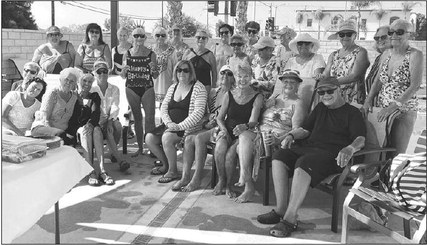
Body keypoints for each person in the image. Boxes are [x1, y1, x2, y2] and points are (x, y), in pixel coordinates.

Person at [256, 77, 366, 238]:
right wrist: (291, 135)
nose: (326, 95)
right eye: (322, 92)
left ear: (339, 90)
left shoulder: (352, 112)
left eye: (330, 91)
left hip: (334, 157)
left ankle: (290, 219)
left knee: (304, 162)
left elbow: (361, 139)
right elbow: (306, 129)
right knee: (280, 156)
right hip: (310, 149)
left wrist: (350, 148)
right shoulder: (321, 108)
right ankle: (280, 210)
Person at [235, 69, 307, 203]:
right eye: (285, 81)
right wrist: (264, 106)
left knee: (241, 147)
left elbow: (296, 129)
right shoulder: (275, 98)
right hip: (259, 132)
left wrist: (280, 138)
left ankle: (246, 182)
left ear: (298, 85)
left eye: (292, 82)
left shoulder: (298, 103)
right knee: (244, 136)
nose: (288, 84)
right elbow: (258, 117)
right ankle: (247, 182)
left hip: (275, 139)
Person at [362, 19, 423, 155]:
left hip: (403, 111)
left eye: (399, 32)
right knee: (381, 152)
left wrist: (393, 106)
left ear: (410, 35)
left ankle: (395, 176)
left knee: (396, 154)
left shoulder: (415, 55)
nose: (394, 35)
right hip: (383, 109)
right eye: (391, 32)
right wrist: (368, 100)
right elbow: (377, 81)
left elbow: (415, 85)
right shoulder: (386, 54)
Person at [172, 65, 235, 192]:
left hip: (223, 127)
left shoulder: (234, 94)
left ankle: (197, 178)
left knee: (199, 138)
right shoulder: (213, 92)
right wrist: (208, 119)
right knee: (189, 139)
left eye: (229, 74)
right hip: (210, 126)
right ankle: (185, 177)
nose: (225, 76)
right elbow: (204, 113)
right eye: (223, 73)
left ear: (233, 78)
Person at [146, 60, 207, 183]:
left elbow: (198, 113)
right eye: (179, 70)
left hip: (187, 127)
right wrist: (169, 124)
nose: (181, 73)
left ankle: (173, 171)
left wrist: (178, 127)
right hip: (170, 125)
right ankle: (166, 165)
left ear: (191, 72)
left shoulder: (199, 88)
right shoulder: (173, 86)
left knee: (167, 138)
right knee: (149, 138)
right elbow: (163, 107)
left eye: (185, 70)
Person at [213, 64, 263, 197]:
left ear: (251, 77)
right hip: (227, 130)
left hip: (243, 133)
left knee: (230, 155)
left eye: (246, 76)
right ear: (235, 77)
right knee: (219, 148)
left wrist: (244, 126)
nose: (242, 79)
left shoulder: (257, 96)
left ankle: (229, 185)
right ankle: (221, 180)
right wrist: (223, 130)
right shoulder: (229, 94)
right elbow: (219, 118)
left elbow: (254, 121)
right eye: (239, 76)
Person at [121, 27, 159, 158]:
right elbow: (122, 75)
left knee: (150, 118)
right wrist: (124, 71)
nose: (139, 39)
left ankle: (151, 147)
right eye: (136, 36)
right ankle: (140, 148)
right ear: (132, 37)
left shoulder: (151, 54)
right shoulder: (127, 53)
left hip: (147, 87)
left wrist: (154, 69)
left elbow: (155, 75)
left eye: (141, 36)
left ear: (145, 38)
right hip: (131, 88)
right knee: (137, 118)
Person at [319, 19, 370, 105]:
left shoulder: (361, 52)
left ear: (355, 35)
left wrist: (331, 82)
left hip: (353, 98)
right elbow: (326, 74)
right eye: (342, 34)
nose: (345, 37)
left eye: (349, 34)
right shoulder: (333, 54)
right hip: (335, 97)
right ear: (338, 36)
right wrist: (320, 76)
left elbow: (354, 76)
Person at [91, 61, 130, 172]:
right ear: (94, 73)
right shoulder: (91, 88)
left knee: (117, 126)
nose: (102, 74)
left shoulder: (114, 88)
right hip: (96, 120)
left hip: (110, 118)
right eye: (99, 72)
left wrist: (108, 121)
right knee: (108, 131)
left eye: (105, 71)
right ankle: (120, 160)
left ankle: (114, 153)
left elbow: (115, 106)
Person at [76, 73, 113, 186]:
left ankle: (102, 171)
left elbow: (95, 113)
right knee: (85, 132)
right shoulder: (73, 96)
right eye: (84, 81)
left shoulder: (94, 96)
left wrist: (90, 124)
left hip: (92, 125)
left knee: (96, 130)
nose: (87, 84)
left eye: (90, 82)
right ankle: (91, 171)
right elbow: (74, 117)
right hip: (78, 128)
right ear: (79, 82)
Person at [272, 33, 326, 108]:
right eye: (300, 43)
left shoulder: (317, 58)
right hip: (291, 97)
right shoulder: (291, 60)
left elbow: (316, 77)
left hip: (310, 96)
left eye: (307, 43)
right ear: (297, 46)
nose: (303, 46)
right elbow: (284, 78)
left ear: (312, 45)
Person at [31, 67, 81, 145]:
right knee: (63, 137)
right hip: (42, 128)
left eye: (72, 81)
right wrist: (56, 134)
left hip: (62, 131)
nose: (68, 83)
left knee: (73, 138)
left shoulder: (74, 97)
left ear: (75, 84)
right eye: (66, 79)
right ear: (60, 80)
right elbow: (45, 119)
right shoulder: (52, 94)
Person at [363, 25, 392, 108]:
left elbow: (379, 82)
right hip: (377, 107)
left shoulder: (393, 57)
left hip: (390, 109)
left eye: (383, 37)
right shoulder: (379, 58)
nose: (379, 40)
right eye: (376, 38)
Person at [182, 29, 217, 94]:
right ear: (195, 39)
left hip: (205, 88)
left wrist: (213, 88)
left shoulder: (210, 55)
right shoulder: (188, 52)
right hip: (189, 86)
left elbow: (214, 73)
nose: (201, 39)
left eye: (203, 38)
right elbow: (182, 70)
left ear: (207, 40)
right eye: (198, 37)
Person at [151, 26, 178, 102]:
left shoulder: (171, 50)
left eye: (163, 35)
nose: (160, 37)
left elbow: (175, 67)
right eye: (157, 35)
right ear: (154, 36)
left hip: (167, 84)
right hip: (153, 84)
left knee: (165, 108)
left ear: (166, 37)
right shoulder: (149, 50)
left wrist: (175, 82)